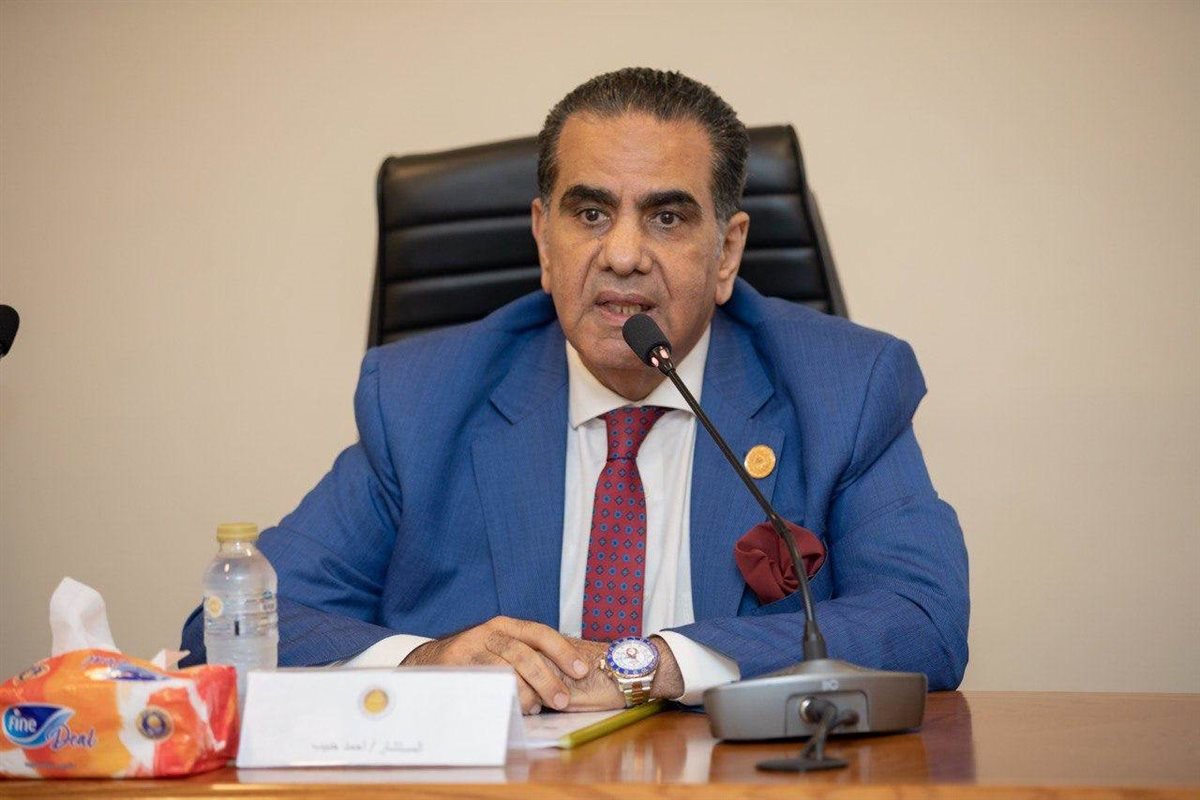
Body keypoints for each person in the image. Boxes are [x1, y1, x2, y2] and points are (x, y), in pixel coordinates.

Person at [180, 67, 968, 714]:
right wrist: (427, 663)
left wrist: (653, 665)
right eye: (590, 213)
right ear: (543, 240)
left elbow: (923, 620)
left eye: (666, 218)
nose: (622, 254)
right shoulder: (423, 401)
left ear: (727, 252)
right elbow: (231, 626)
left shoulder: (844, 388)